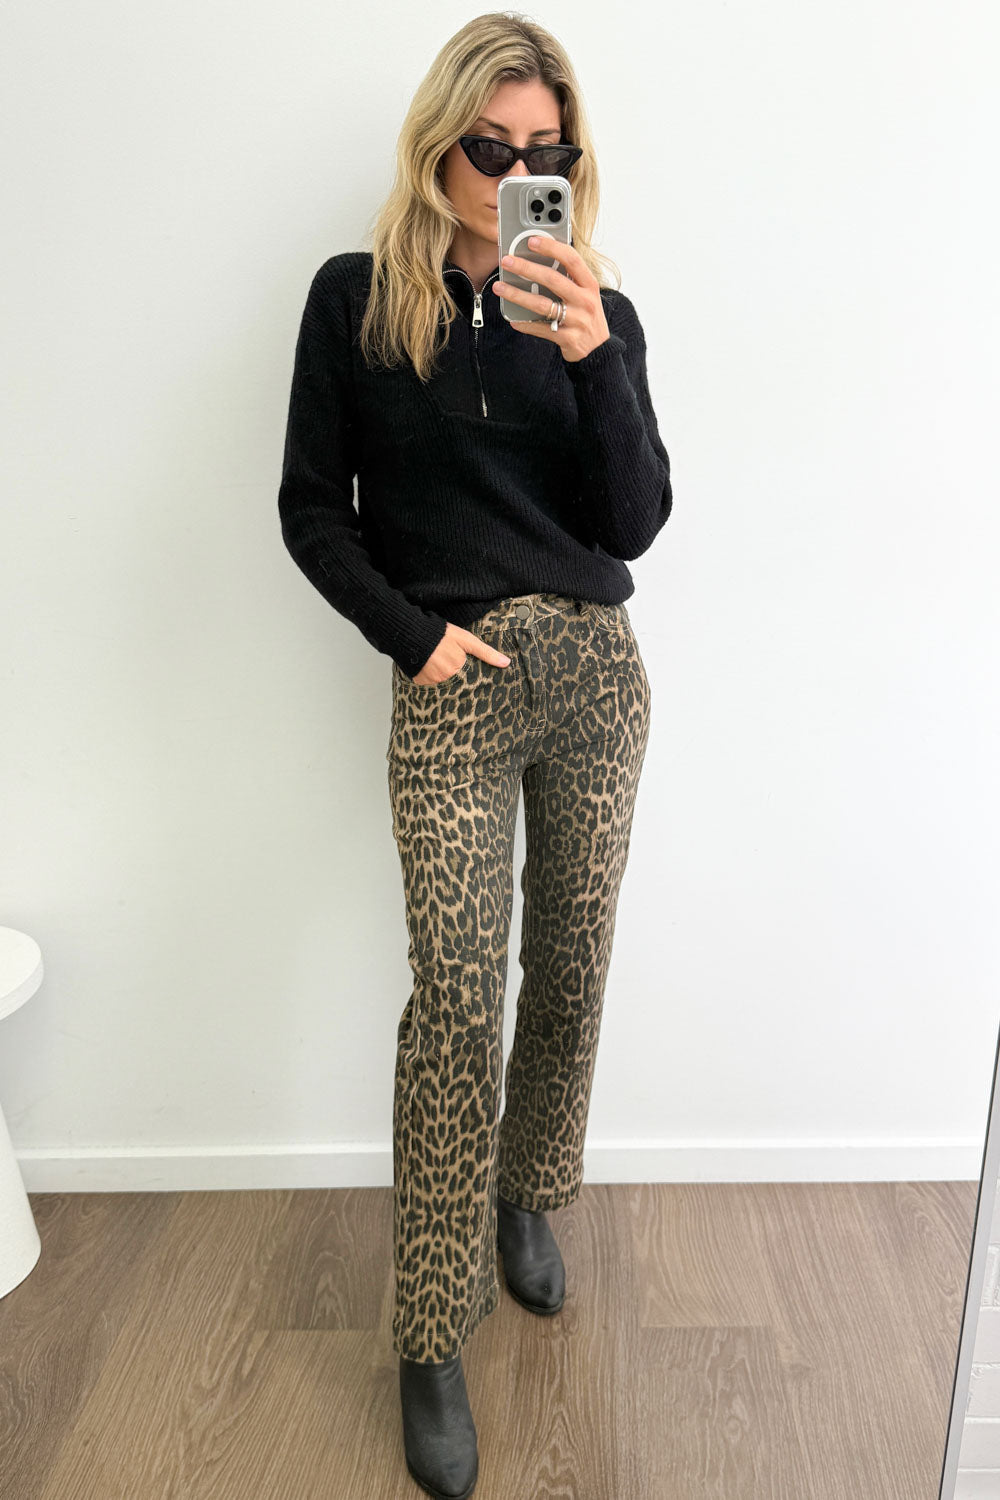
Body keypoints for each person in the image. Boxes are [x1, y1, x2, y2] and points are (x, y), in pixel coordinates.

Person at [278, 14, 672, 1498]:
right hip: (451, 680)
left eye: (543, 153)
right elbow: (311, 508)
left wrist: (595, 357)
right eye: (489, 150)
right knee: (454, 996)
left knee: (569, 961)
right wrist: (413, 637)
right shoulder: (357, 301)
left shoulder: (596, 310)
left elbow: (634, 522)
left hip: (595, 677)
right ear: (437, 146)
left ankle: (530, 1191)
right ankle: (431, 1331)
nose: (514, 176)